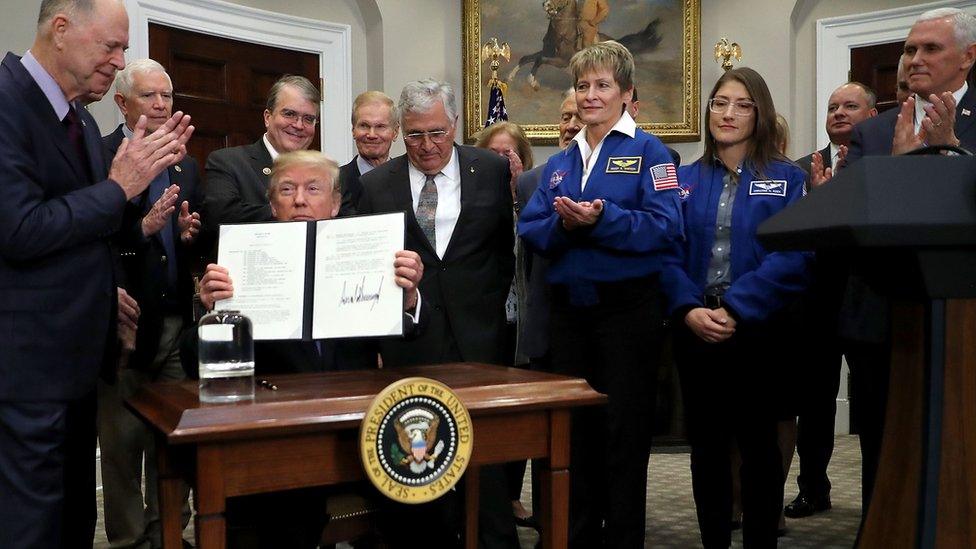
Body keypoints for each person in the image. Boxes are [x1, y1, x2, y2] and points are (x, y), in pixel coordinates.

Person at [0, 1, 193, 547]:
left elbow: (91, 231)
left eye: (123, 48)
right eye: (110, 46)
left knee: (74, 525)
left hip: (82, 367)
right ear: (61, 30)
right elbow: (18, 228)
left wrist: (118, 278)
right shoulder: (6, 101)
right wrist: (118, 189)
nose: (119, 60)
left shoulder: (80, 118)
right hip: (27, 375)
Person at [196, 150, 423, 548]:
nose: (300, 199)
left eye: (313, 189)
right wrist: (212, 314)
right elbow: (193, 364)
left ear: (335, 204)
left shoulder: (371, 254)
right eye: (287, 189)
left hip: (358, 430)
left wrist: (407, 302)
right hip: (278, 439)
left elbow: (408, 347)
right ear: (272, 204)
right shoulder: (237, 264)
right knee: (287, 521)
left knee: (423, 496)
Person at [518, 41, 683, 548]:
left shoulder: (652, 152)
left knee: (623, 437)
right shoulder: (564, 160)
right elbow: (532, 226)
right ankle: (579, 536)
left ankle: (624, 538)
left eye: (602, 86)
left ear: (627, 93)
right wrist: (569, 227)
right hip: (571, 317)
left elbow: (666, 226)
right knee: (579, 437)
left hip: (627, 314)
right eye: (583, 85)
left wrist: (603, 219)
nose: (590, 96)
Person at [356, 78, 518, 548]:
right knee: (416, 456)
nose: (426, 146)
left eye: (437, 133)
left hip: (480, 340)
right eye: (414, 136)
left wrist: (485, 311)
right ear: (400, 132)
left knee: (484, 460)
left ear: (455, 125)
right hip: (411, 340)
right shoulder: (375, 185)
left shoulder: (488, 168)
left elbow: (501, 254)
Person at [660, 67, 810, 548]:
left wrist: (738, 307)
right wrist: (687, 309)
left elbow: (796, 254)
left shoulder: (788, 178)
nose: (728, 113)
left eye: (742, 104)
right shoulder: (679, 179)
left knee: (760, 451)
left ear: (760, 112)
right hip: (695, 328)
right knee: (706, 450)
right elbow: (664, 251)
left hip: (758, 333)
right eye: (719, 102)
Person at [840, 7, 976, 512]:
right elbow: (852, 225)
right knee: (883, 442)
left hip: (962, 314)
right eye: (909, 49)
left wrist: (951, 159)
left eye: (930, 49)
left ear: (968, 57)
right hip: (882, 316)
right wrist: (897, 176)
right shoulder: (874, 133)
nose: (915, 59)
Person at [100, 58, 201, 549]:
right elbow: (91, 240)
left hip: (177, 322)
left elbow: (185, 240)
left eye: (167, 95)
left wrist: (183, 236)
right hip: (124, 324)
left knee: (176, 439)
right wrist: (139, 231)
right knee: (121, 446)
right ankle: (128, 540)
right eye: (149, 96)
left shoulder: (185, 160)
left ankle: (169, 534)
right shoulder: (98, 158)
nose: (162, 105)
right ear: (122, 102)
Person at [784, 82, 877, 521]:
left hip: (868, 299)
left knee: (872, 402)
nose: (838, 113)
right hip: (816, 301)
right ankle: (812, 489)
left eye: (850, 106)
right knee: (814, 403)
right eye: (832, 107)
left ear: (873, 116)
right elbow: (792, 238)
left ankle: (877, 497)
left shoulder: (886, 168)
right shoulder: (804, 168)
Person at [475, 120, 536, 529]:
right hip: (485, 321)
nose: (500, 161)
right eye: (492, 153)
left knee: (519, 416)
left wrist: (517, 194)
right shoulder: (472, 195)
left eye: (508, 154)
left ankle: (512, 496)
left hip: (524, 322)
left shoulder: (534, 193)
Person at [203, 75, 320, 228]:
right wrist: (285, 212)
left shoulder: (324, 174)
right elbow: (221, 215)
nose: (299, 125)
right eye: (289, 114)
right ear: (267, 117)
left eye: (308, 119)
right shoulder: (228, 162)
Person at [339, 90, 399, 215]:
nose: (371, 135)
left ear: (395, 132)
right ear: (353, 130)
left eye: (380, 126)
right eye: (364, 125)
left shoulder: (407, 178)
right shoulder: (335, 182)